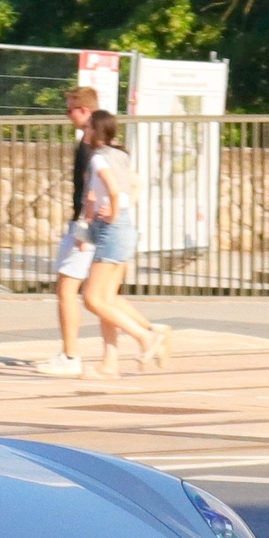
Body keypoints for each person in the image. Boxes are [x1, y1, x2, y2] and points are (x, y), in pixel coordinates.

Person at [79, 110, 171, 377]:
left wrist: (114, 210)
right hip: (124, 227)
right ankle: (110, 363)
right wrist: (118, 208)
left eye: (87, 127)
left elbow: (113, 188)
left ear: (97, 131)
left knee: (92, 298)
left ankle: (145, 337)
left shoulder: (98, 158)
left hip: (113, 229)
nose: (84, 131)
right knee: (107, 298)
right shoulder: (120, 154)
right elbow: (134, 184)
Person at [37, 85, 101, 378]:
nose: (67, 115)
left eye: (70, 108)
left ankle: (71, 355)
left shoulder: (90, 144)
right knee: (100, 296)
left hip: (85, 226)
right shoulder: (102, 141)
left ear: (84, 111)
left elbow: (91, 192)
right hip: (96, 226)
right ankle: (145, 334)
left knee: (66, 290)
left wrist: (83, 229)